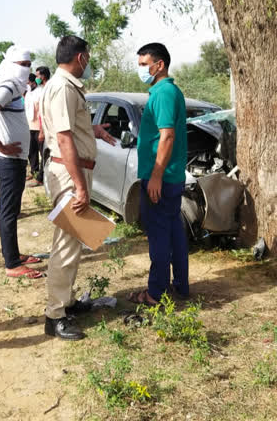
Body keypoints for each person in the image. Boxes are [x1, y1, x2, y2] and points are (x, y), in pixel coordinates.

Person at [40, 36, 115, 340]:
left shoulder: (66, 87)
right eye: (88, 57)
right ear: (81, 57)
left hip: (74, 170)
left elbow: (73, 131)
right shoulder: (61, 87)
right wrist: (80, 188)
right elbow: (64, 139)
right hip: (70, 173)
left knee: (73, 243)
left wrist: (92, 130)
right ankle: (55, 315)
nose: (89, 63)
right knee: (66, 246)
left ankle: (66, 302)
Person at [128, 43, 189, 307]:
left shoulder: (164, 93)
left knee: (159, 237)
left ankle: (155, 293)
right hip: (169, 177)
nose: (141, 69)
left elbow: (167, 137)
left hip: (162, 179)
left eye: (144, 64)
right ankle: (181, 285)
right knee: (174, 232)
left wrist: (155, 175)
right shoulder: (166, 91)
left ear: (159, 65)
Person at [0, 45, 43, 279]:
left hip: (6, 157)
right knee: (8, 211)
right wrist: (1, 145)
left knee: (11, 210)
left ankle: (14, 254)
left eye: (28, 65)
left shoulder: (7, 83)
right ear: (12, 65)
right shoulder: (9, 85)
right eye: (22, 65)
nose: (26, 69)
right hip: (9, 159)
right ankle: (12, 264)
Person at [33, 66, 51, 185]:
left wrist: (42, 131)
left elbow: (46, 112)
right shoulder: (43, 88)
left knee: (44, 153)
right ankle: (41, 176)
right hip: (42, 125)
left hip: (47, 127)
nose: (36, 78)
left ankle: (41, 177)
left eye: (38, 76)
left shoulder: (49, 88)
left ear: (43, 76)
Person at [24, 72, 43, 183]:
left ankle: (41, 177)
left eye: (27, 82)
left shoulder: (40, 92)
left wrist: (41, 129)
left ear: (32, 82)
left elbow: (41, 112)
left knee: (42, 152)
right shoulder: (29, 93)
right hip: (29, 126)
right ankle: (33, 171)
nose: (26, 84)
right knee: (31, 151)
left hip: (39, 127)